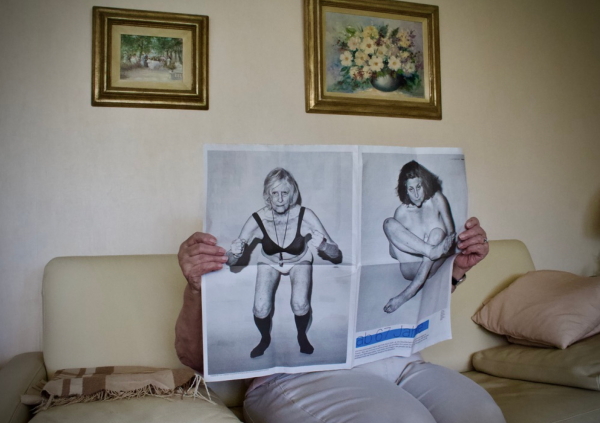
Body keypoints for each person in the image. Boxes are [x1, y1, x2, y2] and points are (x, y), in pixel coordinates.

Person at [175, 217, 506, 423]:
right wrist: (195, 288)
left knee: (482, 414)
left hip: (399, 362)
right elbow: (194, 358)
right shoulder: (249, 244)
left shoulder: (335, 233)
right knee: (404, 420)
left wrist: (454, 269)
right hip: (299, 377)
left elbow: (406, 306)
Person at [225, 168, 341, 358]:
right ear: (267, 195)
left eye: (284, 193)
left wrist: (324, 246)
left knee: (300, 304)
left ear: (292, 194)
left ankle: (302, 335)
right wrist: (234, 253)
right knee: (260, 308)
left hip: (299, 260)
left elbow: (336, 254)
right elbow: (231, 262)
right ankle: (265, 339)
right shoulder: (258, 219)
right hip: (269, 261)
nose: (279, 199)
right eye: (274, 193)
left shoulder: (305, 216)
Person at [382, 161, 455, 314]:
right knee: (388, 223)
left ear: (425, 184)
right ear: (405, 190)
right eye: (411, 189)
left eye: (419, 187)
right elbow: (393, 253)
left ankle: (409, 292)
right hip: (410, 269)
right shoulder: (401, 212)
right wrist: (422, 248)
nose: (416, 194)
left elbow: (451, 239)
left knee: (436, 234)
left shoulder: (437, 199)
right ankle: (430, 251)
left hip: (432, 268)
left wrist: (438, 245)